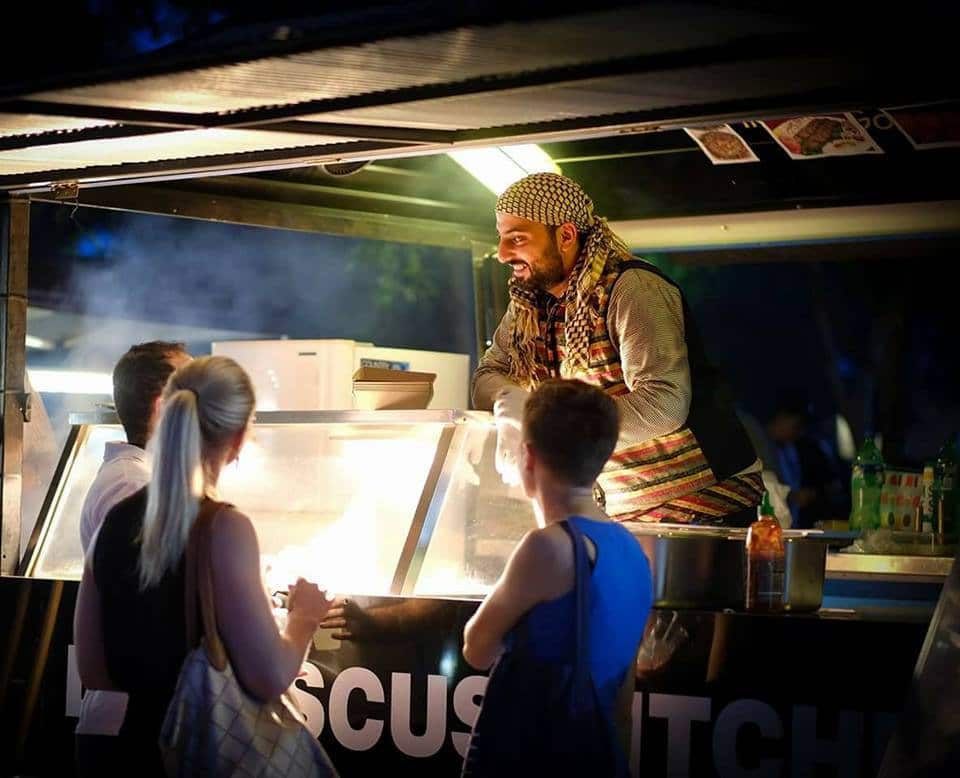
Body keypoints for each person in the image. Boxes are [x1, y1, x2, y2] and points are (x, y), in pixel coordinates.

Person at [74, 356, 333, 775]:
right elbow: (269, 676)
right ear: (240, 437)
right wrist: (304, 617)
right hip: (195, 756)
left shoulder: (113, 523)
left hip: (127, 749)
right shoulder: (224, 528)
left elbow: (93, 668)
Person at [473, 172, 761, 525]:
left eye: (516, 239)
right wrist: (512, 411)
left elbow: (663, 403)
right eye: (502, 239)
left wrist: (549, 427)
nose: (502, 254)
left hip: (703, 507)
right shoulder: (529, 306)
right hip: (624, 512)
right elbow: (488, 375)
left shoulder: (631, 288)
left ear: (565, 235)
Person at [461, 379, 653, 775]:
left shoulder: (547, 547)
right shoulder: (633, 550)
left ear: (527, 458)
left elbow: (476, 647)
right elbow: (623, 703)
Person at [75, 340, 190, 776]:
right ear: (163, 408)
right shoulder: (132, 489)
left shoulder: (143, 482)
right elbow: (147, 615)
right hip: (131, 728)